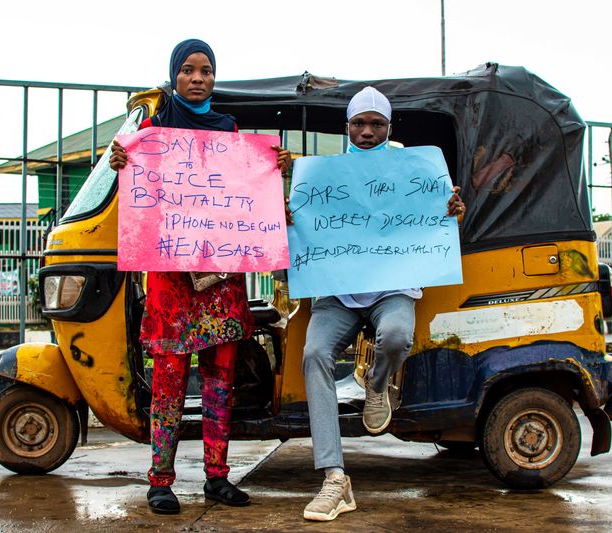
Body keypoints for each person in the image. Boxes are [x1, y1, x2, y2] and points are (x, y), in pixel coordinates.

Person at [109, 38, 291, 515]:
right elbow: (138, 189)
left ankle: (217, 476)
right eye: (188, 70)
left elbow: (247, 192)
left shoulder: (229, 131)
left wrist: (277, 168)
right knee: (169, 378)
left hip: (222, 274)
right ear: (174, 76)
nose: (197, 78)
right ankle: (160, 481)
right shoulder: (152, 131)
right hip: (171, 278)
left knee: (219, 379)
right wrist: (121, 163)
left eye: (206, 70)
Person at [295, 87, 465, 521]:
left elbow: (433, 217)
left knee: (396, 335)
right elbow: (307, 218)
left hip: (392, 286)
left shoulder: (414, 171)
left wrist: (449, 210)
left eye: (377, 124)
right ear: (346, 127)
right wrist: (295, 213)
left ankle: (375, 385)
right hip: (338, 291)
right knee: (314, 354)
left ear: (390, 128)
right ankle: (334, 478)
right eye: (359, 123)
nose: (367, 131)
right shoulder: (324, 176)